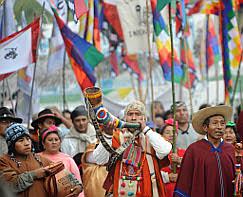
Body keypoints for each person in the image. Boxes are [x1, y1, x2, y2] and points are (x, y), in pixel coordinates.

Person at [92, 100, 172, 197]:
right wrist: (108, 136)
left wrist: (145, 129)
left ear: (144, 118)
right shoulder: (117, 137)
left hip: (149, 190)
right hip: (122, 190)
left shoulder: (152, 137)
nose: (134, 118)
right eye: (130, 114)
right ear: (125, 118)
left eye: (137, 114)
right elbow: (99, 160)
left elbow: (165, 150)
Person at [174, 105, 236, 197]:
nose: (219, 127)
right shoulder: (194, 150)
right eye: (215, 123)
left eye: (222, 123)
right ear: (205, 128)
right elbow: (184, 182)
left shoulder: (231, 150)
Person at [0, 123, 51, 197]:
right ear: (11, 145)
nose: (27, 143)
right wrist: (34, 174)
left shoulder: (41, 159)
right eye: (21, 140)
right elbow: (10, 185)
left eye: (28, 139)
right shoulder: (3, 161)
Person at [38, 125, 84, 197]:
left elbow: (78, 183)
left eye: (56, 140)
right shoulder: (36, 158)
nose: (54, 142)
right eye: (50, 140)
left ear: (60, 143)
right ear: (43, 143)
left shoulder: (68, 159)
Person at [159, 119, 185, 197]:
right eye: (167, 132)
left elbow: (192, 172)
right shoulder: (157, 153)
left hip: (181, 191)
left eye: (174, 132)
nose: (171, 135)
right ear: (161, 135)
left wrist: (180, 161)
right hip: (163, 190)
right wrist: (167, 177)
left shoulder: (184, 152)